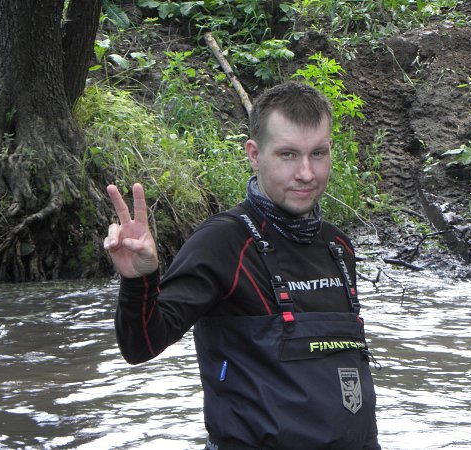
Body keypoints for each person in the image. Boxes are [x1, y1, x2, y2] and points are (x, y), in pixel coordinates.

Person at [104, 82, 381, 450]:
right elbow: (141, 346)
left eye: (318, 153)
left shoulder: (337, 246)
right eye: (287, 155)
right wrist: (139, 280)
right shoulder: (222, 243)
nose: (306, 173)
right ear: (254, 154)